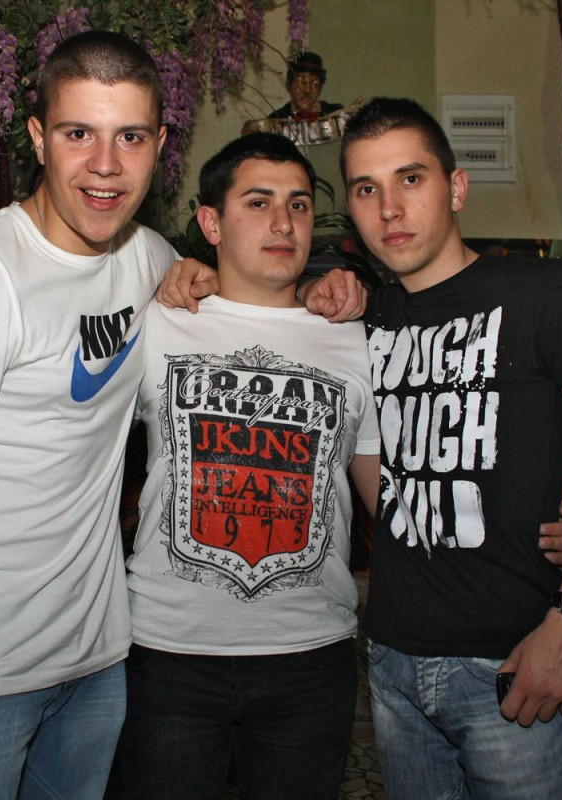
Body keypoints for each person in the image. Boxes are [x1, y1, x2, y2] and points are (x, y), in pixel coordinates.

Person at [0, 30, 366, 800]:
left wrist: (331, 289)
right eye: (77, 134)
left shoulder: (148, 259)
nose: (105, 164)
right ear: (37, 139)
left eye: (129, 137)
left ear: (159, 144)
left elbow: (233, 300)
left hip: (96, 666)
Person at [339, 97, 562, 799]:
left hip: (516, 660)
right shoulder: (361, 318)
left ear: (455, 188)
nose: (390, 208)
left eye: (411, 178)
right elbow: (386, 484)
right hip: (393, 661)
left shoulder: (542, 294)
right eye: (366, 188)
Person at [115, 132, 380, 800]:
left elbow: (389, 494)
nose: (283, 223)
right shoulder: (156, 321)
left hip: (310, 657)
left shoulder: (353, 336)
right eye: (258, 203)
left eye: (298, 204)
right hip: (170, 653)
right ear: (211, 223)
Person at [269, 52, 343, 123]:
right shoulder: (275, 120)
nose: (307, 90)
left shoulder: (336, 114)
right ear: (288, 85)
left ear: (320, 88)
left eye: (315, 83)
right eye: (301, 82)